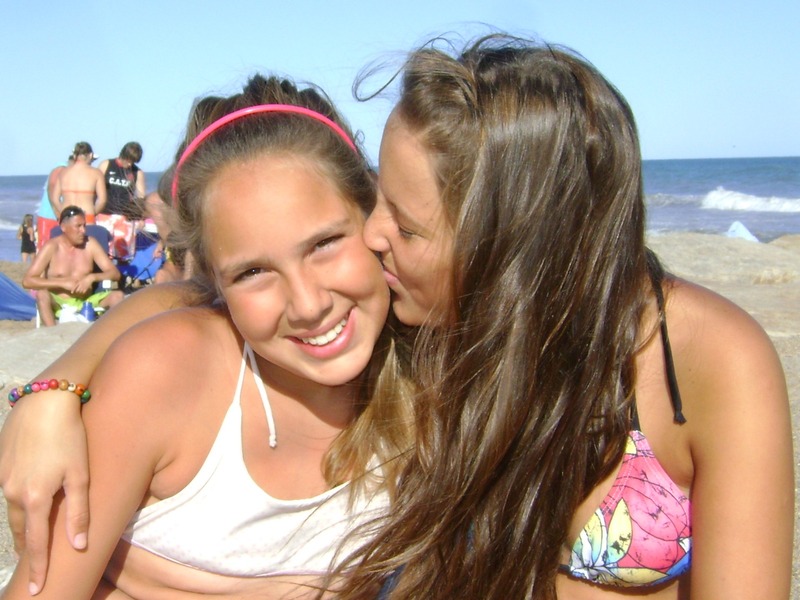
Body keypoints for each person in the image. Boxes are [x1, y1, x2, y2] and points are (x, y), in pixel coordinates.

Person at [0, 34, 794, 600]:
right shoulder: (413, 330)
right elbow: (200, 297)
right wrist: (51, 388)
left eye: (405, 228)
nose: (375, 239)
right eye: (378, 203)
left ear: (510, 245)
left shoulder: (700, 360)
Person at [2, 74, 412, 598]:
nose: (309, 305)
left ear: (376, 217)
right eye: (253, 273)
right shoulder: (168, 374)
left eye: (325, 243)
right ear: (214, 281)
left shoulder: (433, 366)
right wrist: (48, 390)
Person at [22, 205, 123, 327]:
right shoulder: (52, 247)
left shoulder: (90, 244)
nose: (83, 231)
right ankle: (52, 333)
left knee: (117, 296)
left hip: (86, 302)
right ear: (63, 227)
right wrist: (62, 283)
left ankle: (113, 332)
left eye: (84, 225)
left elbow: (115, 274)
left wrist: (91, 278)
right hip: (59, 302)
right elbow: (28, 281)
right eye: (78, 226)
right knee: (42, 295)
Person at [96, 141, 146, 260]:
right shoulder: (106, 164)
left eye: (133, 162)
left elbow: (141, 197)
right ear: (123, 155)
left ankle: (122, 269)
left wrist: (141, 217)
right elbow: (94, 187)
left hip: (125, 216)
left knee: (123, 254)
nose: (129, 164)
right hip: (105, 214)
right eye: (128, 160)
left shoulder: (137, 172)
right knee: (103, 251)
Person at [50, 142, 106, 223]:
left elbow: (55, 199)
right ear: (90, 155)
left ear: (74, 155)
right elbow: (102, 200)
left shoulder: (63, 173)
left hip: (67, 216)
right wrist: (93, 213)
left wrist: (63, 212)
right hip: (87, 215)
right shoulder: (96, 173)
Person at [35, 155, 74, 251]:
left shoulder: (71, 172)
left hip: (60, 216)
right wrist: (58, 214)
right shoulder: (61, 168)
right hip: (50, 216)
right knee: (45, 247)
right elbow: (51, 190)